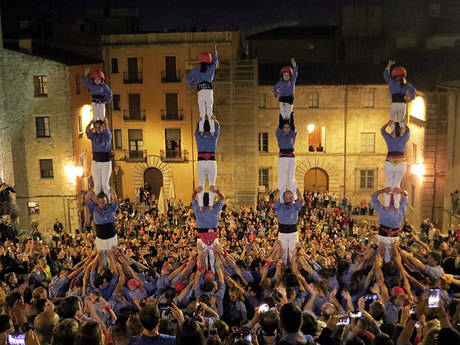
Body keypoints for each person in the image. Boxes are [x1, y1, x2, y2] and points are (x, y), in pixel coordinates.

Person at [186, 43, 218, 135]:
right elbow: (215, 60)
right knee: (210, 111)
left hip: (200, 91)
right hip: (209, 90)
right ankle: (212, 131)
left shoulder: (196, 69)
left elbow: (188, 77)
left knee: (202, 112)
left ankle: (201, 130)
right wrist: (215, 51)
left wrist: (193, 83)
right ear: (209, 60)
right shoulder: (211, 68)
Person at [191, 187, 225, 271]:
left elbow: (192, 197)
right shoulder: (215, 209)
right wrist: (216, 190)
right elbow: (222, 197)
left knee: (202, 261)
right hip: (213, 237)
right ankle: (215, 276)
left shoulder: (198, 209)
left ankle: (203, 278)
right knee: (215, 260)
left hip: (201, 238)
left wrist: (196, 191)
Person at [371, 187, 408, 262]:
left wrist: (383, 190)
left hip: (386, 238)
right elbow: (406, 196)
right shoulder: (400, 213)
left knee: (385, 253)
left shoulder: (383, 211)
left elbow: (373, 196)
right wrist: (401, 191)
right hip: (387, 238)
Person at [381, 120, 410, 208]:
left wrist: (387, 123)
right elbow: (408, 132)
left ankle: (386, 204)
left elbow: (382, 130)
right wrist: (405, 124)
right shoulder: (403, 139)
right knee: (396, 185)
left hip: (390, 161)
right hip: (401, 162)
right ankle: (396, 205)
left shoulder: (389, 138)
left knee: (388, 184)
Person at [274, 188, 305, 263]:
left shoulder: (295, 206)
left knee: (293, 253)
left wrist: (296, 189)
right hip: (282, 233)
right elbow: (276, 199)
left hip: (293, 233)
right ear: (283, 198)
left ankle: (293, 269)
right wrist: (279, 189)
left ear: (292, 198)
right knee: (283, 254)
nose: (288, 200)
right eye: (286, 198)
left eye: (290, 198)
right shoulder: (279, 206)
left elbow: (301, 199)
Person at [195, 118, 220, 210]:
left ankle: (201, 205)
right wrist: (214, 119)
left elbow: (197, 130)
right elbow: (218, 127)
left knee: (201, 184)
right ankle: (210, 205)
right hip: (211, 160)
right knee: (212, 184)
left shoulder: (199, 136)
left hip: (201, 160)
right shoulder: (213, 136)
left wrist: (199, 122)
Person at [383, 60, 416, 129]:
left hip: (395, 104)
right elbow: (413, 91)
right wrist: (410, 99)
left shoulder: (391, 82)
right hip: (403, 105)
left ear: (394, 75)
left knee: (392, 120)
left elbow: (385, 75)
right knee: (402, 120)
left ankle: (393, 134)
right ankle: (401, 134)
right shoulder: (406, 85)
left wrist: (389, 65)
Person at [86, 119, 112, 200]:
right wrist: (90, 122)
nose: (98, 129)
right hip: (96, 161)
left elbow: (107, 128)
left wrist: (106, 122)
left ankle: (107, 199)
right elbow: (87, 131)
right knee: (97, 184)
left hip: (106, 162)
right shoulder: (94, 136)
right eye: (96, 127)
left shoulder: (107, 135)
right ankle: (98, 200)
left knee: (104, 184)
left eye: (99, 127)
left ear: (102, 127)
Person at [276, 113, 297, 202]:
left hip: (291, 157)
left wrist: (291, 118)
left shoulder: (292, 135)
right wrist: (281, 118)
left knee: (291, 178)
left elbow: (293, 128)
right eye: (284, 128)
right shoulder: (279, 135)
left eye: (288, 128)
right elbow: (279, 128)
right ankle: (281, 199)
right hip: (283, 157)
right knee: (282, 179)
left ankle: (294, 197)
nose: (286, 130)